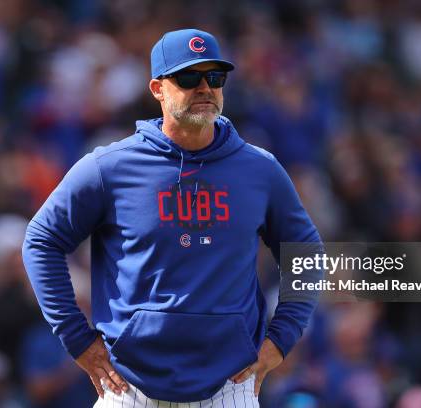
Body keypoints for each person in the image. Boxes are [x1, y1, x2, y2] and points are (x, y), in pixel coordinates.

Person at [22, 28, 322, 407]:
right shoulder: (109, 167)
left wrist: (281, 338)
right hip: (127, 387)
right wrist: (76, 337)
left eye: (215, 77)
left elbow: (306, 251)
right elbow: (41, 241)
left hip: (230, 386)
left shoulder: (260, 169)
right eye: (188, 77)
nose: (204, 87)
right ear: (157, 89)